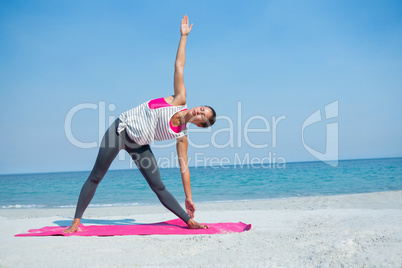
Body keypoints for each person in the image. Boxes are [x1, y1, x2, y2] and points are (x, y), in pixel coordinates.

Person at [63, 15, 216, 233]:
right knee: (96, 176)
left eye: (203, 115)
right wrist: (183, 38)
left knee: (159, 186)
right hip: (120, 131)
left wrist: (189, 198)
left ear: (200, 125)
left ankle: (188, 221)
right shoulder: (179, 99)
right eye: (202, 108)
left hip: (140, 145)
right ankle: (76, 222)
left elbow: (184, 169)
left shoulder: (181, 137)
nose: (199, 111)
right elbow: (179, 65)